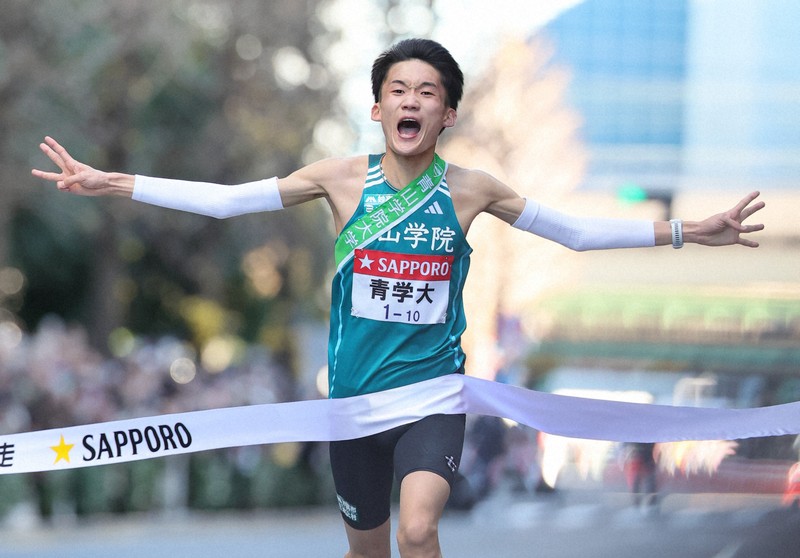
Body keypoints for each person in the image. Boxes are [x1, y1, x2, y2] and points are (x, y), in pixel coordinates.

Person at [32, 38, 764, 558]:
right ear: (378, 108)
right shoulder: (340, 178)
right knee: (370, 548)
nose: (412, 101)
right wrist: (114, 182)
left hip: (432, 397)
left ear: (447, 115)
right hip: (351, 404)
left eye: (429, 93)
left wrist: (685, 231)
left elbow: (570, 231)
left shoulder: (471, 189)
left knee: (419, 531)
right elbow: (227, 204)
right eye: (398, 91)